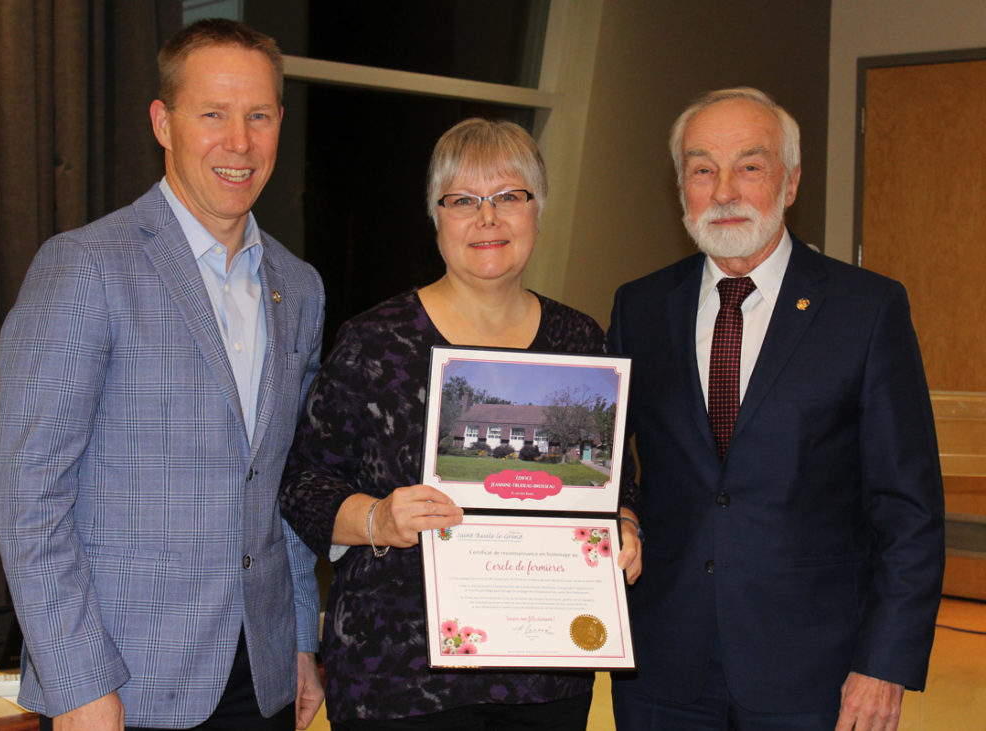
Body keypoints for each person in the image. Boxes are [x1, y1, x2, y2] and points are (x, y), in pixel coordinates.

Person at [0, 18, 325, 731]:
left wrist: (300, 636)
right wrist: (79, 680)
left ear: (279, 124)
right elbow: (29, 496)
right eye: (213, 114)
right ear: (163, 122)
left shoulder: (299, 288)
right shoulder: (86, 267)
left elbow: (283, 484)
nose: (239, 141)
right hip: (124, 683)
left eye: (258, 115)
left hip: (262, 681)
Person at [280, 117, 643, 729]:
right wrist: (377, 517)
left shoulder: (580, 341)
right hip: (398, 677)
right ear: (436, 216)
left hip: (545, 672)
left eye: (509, 196)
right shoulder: (375, 341)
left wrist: (626, 526)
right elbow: (303, 485)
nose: (488, 218)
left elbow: (616, 484)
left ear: (538, 210)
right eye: (464, 201)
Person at [607, 86, 945, 730]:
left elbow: (909, 508)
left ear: (790, 183)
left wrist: (885, 664)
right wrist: (620, 510)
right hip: (663, 669)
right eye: (703, 169)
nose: (725, 189)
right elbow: (618, 467)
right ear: (682, 189)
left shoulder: (867, 310)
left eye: (750, 166)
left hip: (815, 672)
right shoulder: (640, 307)